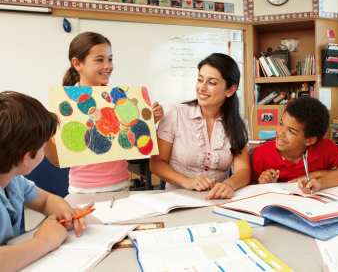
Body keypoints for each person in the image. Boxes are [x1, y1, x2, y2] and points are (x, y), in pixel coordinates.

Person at [45, 32, 163, 194]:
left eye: (110, 59)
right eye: (99, 60)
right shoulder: (65, 103)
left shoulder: (120, 97)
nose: (108, 65)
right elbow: (59, 161)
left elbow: (128, 139)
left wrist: (150, 121)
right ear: (77, 64)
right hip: (82, 190)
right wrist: (43, 136)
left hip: (121, 185)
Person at [0, 91, 93, 271]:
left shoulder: (14, 181)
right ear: (26, 158)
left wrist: (66, 212)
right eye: (44, 146)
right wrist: (44, 241)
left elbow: (46, 200)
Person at [150, 53, 250, 200]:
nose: (201, 88)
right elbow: (156, 163)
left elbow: (244, 170)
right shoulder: (176, 113)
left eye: (212, 83)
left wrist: (229, 184)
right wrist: (187, 181)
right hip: (177, 200)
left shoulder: (239, 125)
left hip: (216, 201)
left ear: (230, 90)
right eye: (200, 80)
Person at [251, 96, 338, 184]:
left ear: (310, 141)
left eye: (291, 131)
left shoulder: (326, 148)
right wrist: (263, 182)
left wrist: (317, 174)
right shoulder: (261, 154)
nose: (280, 132)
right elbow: (250, 186)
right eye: (281, 124)